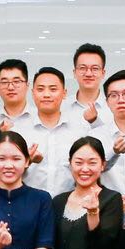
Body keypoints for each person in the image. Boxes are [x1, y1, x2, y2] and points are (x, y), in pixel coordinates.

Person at [17, 67, 81, 197]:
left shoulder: (80, 130)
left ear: (64, 93)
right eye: (40, 89)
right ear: (33, 93)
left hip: (69, 203)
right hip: (29, 202)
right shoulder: (19, 130)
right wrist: (27, 161)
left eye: (53, 89)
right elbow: (6, 171)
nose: (46, 94)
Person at [90, 69, 125, 194]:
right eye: (114, 95)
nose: (121, 100)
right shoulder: (95, 136)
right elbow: (91, 170)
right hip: (109, 203)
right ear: (107, 102)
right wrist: (114, 153)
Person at [69, 43, 109, 127]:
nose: (88, 74)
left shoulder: (113, 107)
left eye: (95, 68)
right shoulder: (62, 106)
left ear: (103, 73)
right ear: (74, 73)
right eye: (82, 68)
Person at [0, 59, 33, 131]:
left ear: (27, 85)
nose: (10, 87)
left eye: (16, 81)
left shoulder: (41, 118)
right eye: (4, 82)